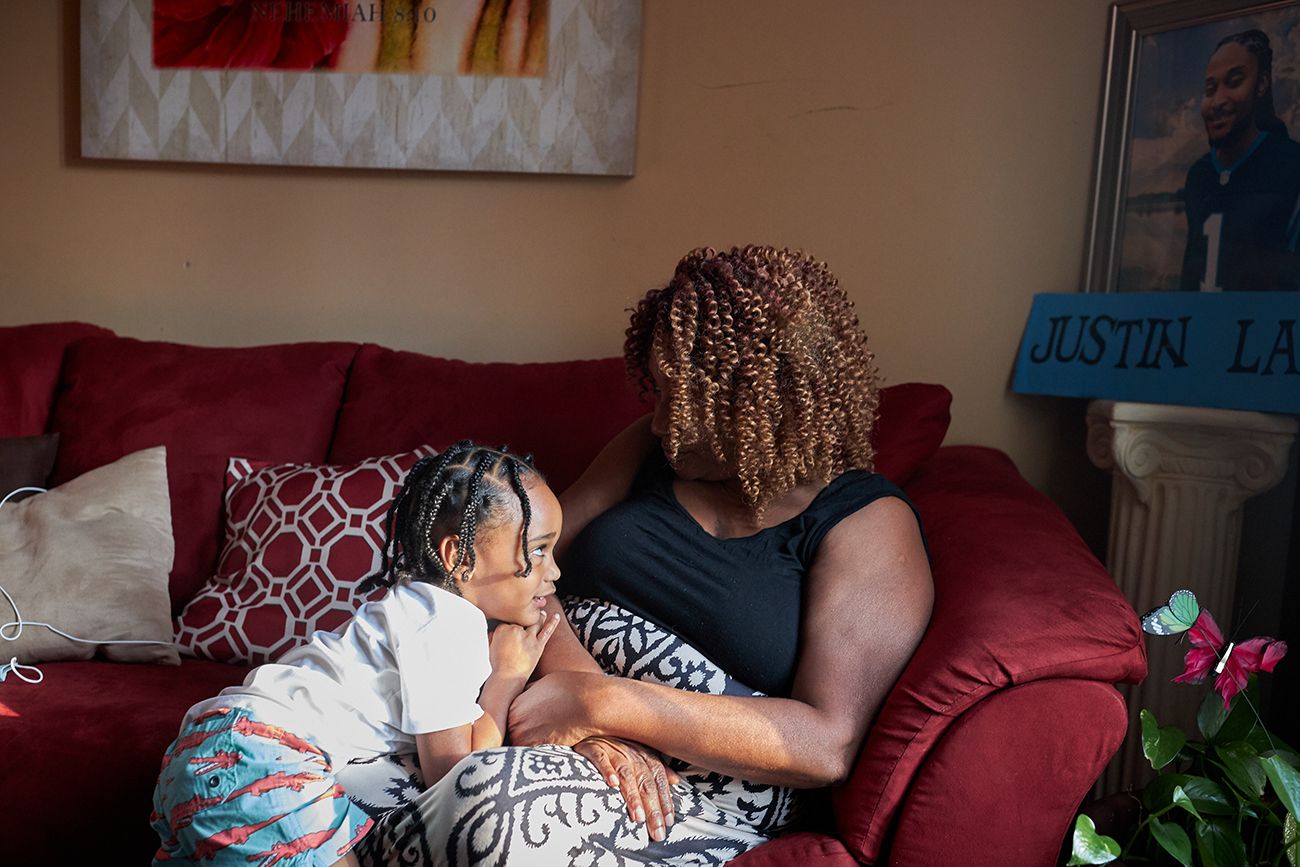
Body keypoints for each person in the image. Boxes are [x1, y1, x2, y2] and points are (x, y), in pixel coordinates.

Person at [355, 246, 934, 866]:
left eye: (682, 402)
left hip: (691, 785)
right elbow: (513, 570)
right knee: (338, 778)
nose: (659, 422)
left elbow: (827, 744)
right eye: (657, 393)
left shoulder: (866, 523)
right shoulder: (649, 452)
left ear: (759, 403)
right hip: (541, 701)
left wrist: (606, 706)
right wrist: (578, 694)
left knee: (485, 810)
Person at [150, 443, 564, 867]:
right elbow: (455, 775)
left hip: (209, 740)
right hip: (264, 755)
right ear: (459, 557)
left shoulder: (412, 606)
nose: (554, 571)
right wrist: (507, 679)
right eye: (537, 550)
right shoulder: (449, 625)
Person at [1179, 29, 1300, 292]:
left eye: (1234, 82)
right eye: (1210, 89)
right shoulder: (1199, 174)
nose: (1217, 101)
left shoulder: (1291, 165)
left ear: (1262, 83)